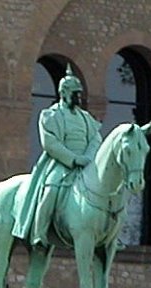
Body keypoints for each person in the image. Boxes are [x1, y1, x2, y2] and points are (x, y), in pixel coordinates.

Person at [13, 66, 102, 250]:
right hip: (61, 163)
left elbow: (95, 139)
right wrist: (73, 159)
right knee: (50, 191)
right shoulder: (50, 115)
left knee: (107, 191)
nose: (78, 97)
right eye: (75, 93)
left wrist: (87, 157)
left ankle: (108, 235)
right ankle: (39, 233)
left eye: (79, 93)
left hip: (86, 163)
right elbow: (50, 143)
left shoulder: (86, 118)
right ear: (64, 93)